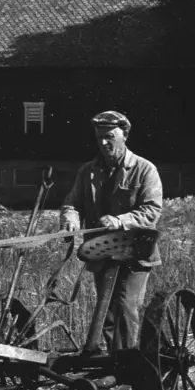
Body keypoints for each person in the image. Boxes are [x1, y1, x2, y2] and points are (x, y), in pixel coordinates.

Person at [60, 110, 163, 352]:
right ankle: (113, 362)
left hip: (135, 251)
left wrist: (120, 220)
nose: (104, 143)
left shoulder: (145, 169)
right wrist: (70, 219)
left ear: (124, 135)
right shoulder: (87, 171)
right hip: (102, 250)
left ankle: (128, 361)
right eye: (99, 138)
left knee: (125, 305)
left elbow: (151, 211)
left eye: (109, 136)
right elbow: (72, 202)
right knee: (105, 310)